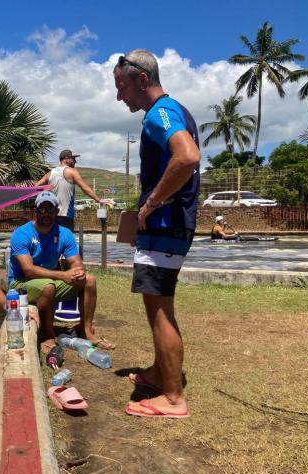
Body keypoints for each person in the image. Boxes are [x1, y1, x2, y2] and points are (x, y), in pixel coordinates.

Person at [114, 49, 200, 418]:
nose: (120, 97)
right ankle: (160, 373)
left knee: (160, 310)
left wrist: (150, 206)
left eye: (122, 87)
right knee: (156, 306)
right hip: (167, 228)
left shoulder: (159, 114)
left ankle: (173, 398)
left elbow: (188, 157)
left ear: (142, 80)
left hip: (166, 227)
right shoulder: (170, 111)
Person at [7, 191, 114, 351]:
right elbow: (28, 270)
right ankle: (48, 335)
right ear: (35, 211)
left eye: (50, 209)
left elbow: (76, 262)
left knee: (89, 280)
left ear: (57, 212)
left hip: (48, 279)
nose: (46, 213)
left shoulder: (64, 233)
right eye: (42, 209)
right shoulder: (21, 234)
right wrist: (63, 275)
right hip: (20, 283)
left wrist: (79, 272)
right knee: (49, 286)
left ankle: (86, 332)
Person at [35, 149, 113, 231]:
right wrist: (98, 199)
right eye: (73, 159)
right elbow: (84, 187)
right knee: (66, 241)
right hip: (65, 216)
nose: (75, 161)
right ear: (66, 158)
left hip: (52, 216)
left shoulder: (50, 173)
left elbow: (36, 188)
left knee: (54, 241)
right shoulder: (71, 171)